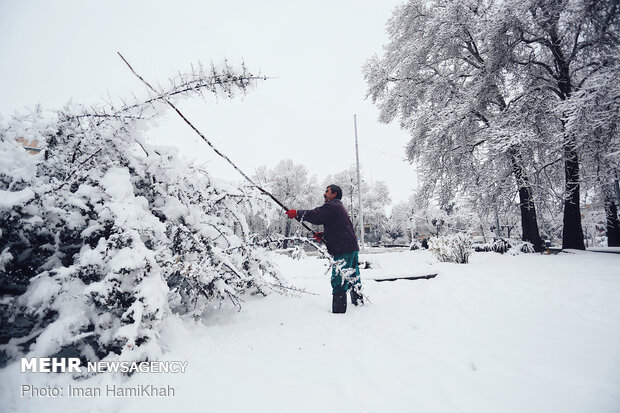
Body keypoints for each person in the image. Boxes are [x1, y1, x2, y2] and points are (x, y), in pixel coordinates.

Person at [285, 184, 363, 313]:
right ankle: (358, 301)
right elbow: (339, 227)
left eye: (327, 192)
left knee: (339, 277)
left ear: (334, 194)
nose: (324, 194)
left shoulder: (332, 206)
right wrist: (324, 235)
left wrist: (297, 213)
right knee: (353, 276)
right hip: (351, 247)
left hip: (343, 248)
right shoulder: (339, 207)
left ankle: (339, 311)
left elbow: (317, 215)